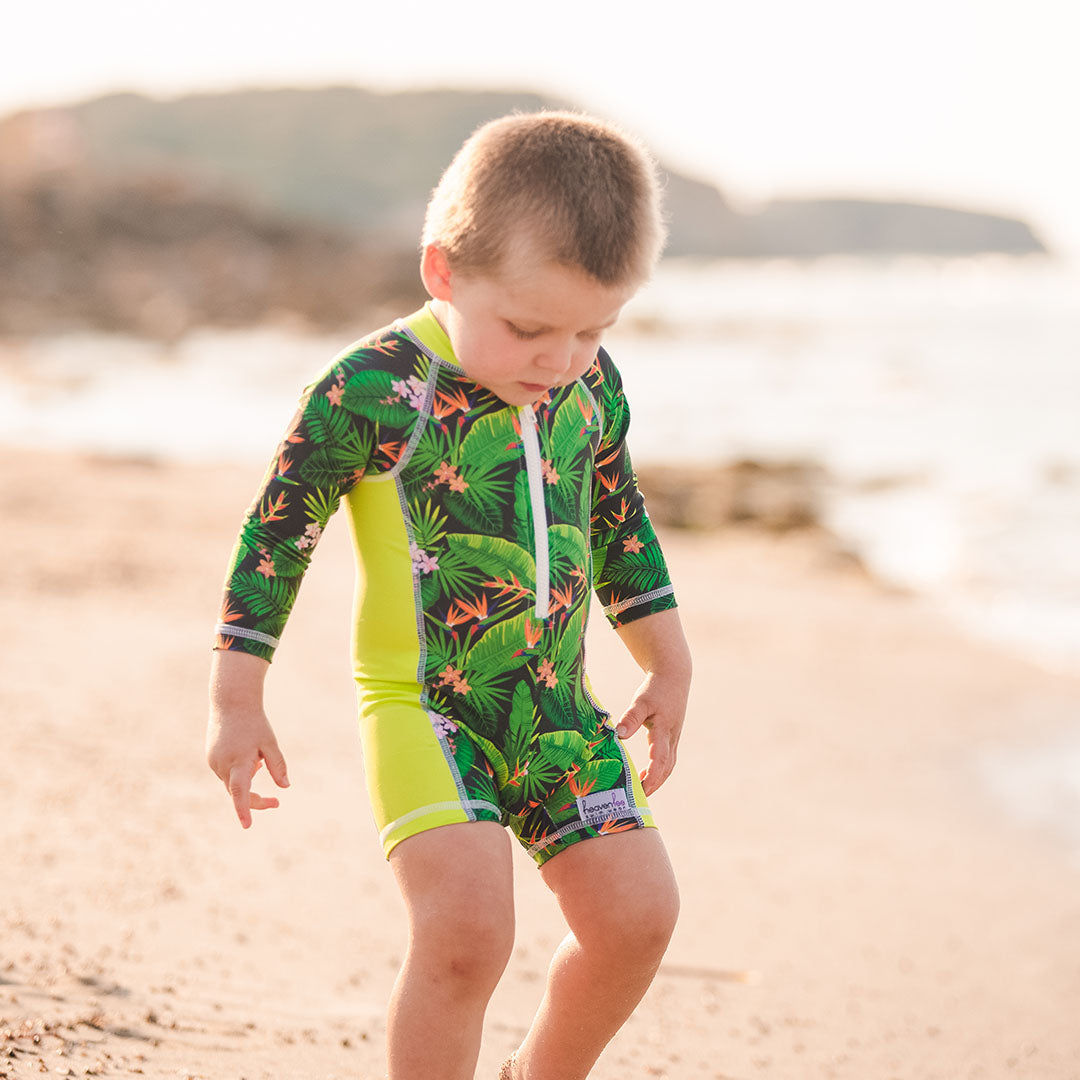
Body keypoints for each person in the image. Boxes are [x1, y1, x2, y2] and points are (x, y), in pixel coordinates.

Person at [206, 110, 692, 1080]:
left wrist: (668, 660)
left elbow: (620, 520)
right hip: (427, 710)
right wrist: (236, 696)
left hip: (554, 706)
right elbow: (279, 530)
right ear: (443, 273)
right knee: (468, 935)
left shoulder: (587, 389)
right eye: (528, 328)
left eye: (593, 329)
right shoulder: (374, 389)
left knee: (639, 920)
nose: (559, 359)